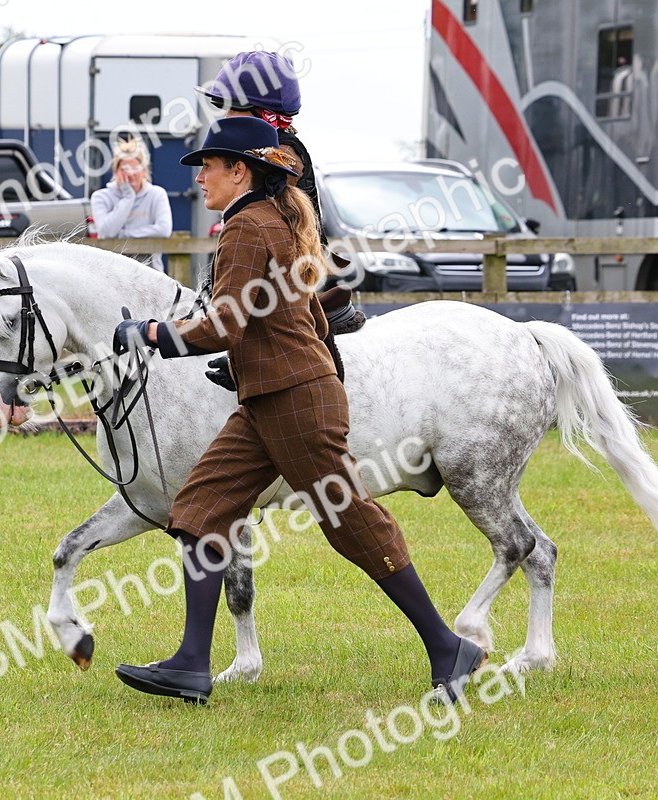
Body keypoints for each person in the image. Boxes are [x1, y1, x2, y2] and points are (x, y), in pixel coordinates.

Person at [111, 116, 485, 705]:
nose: (199, 177)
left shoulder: (244, 229)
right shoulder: (271, 221)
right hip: (277, 396)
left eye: (208, 166)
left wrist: (157, 333)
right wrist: (269, 369)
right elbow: (303, 316)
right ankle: (190, 663)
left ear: (241, 171)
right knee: (201, 505)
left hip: (291, 401)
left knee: (351, 521)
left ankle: (447, 647)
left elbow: (227, 321)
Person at [196, 50, 360, 383]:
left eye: (231, 108)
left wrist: (248, 358)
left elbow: (268, 231)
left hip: (293, 276)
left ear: (262, 114)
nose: (224, 115)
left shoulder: (280, 155)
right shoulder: (257, 148)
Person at [90, 137, 173, 270]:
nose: (130, 174)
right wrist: (128, 197)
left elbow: (163, 229)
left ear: (144, 170)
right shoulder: (100, 197)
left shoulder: (157, 194)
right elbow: (106, 232)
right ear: (116, 172)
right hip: (112, 271)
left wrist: (125, 235)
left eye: (135, 168)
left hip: (150, 272)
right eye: (125, 169)